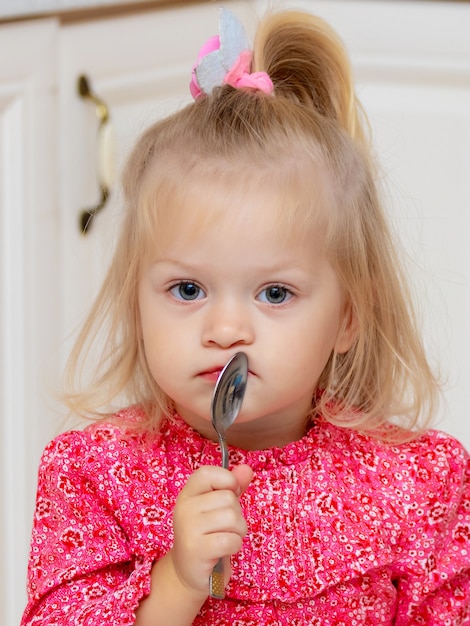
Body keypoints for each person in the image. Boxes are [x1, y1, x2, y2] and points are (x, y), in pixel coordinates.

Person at [21, 6, 470, 626]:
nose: (226, 329)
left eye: (275, 294)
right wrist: (176, 585)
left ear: (347, 318)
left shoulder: (418, 484)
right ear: (136, 303)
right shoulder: (93, 476)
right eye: (186, 289)